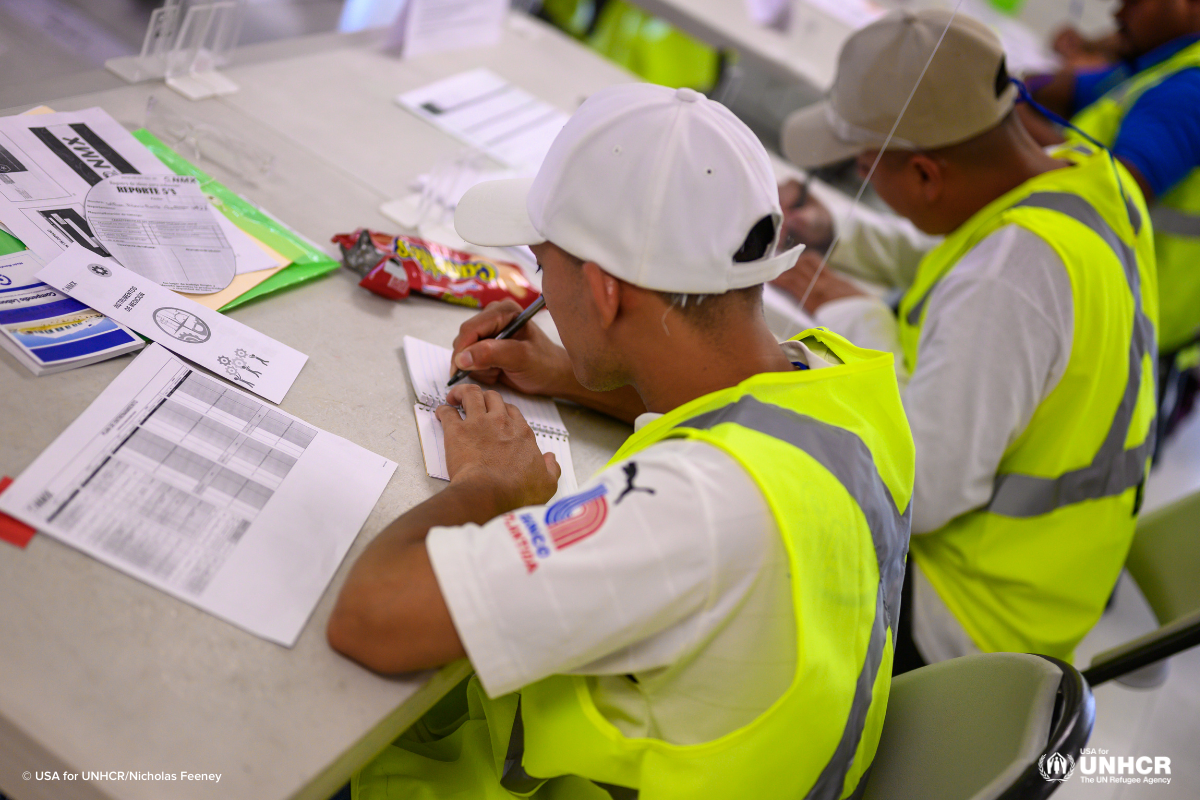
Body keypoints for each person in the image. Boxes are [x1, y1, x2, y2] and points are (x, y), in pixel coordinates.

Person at [327, 82, 915, 799]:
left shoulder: (699, 508)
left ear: (605, 294)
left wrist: (493, 486)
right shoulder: (846, 379)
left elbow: (369, 619)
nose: (542, 288)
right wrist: (573, 373)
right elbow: (734, 404)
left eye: (546, 268)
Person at [774, 9, 1159, 673]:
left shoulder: (1015, 279)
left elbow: (918, 491)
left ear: (925, 175)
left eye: (867, 168)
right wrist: (838, 230)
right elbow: (964, 255)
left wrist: (856, 316)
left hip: (966, 620)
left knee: (740, 513)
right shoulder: (1089, 180)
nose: (869, 182)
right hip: (1047, 585)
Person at [1028, 0, 1200, 435]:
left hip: (1106, 343)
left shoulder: (1189, 93)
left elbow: (1103, 196)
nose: (1119, 9)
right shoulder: (1166, 62)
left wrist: (991, 119)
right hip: (1094, 320)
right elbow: (1071, 89)